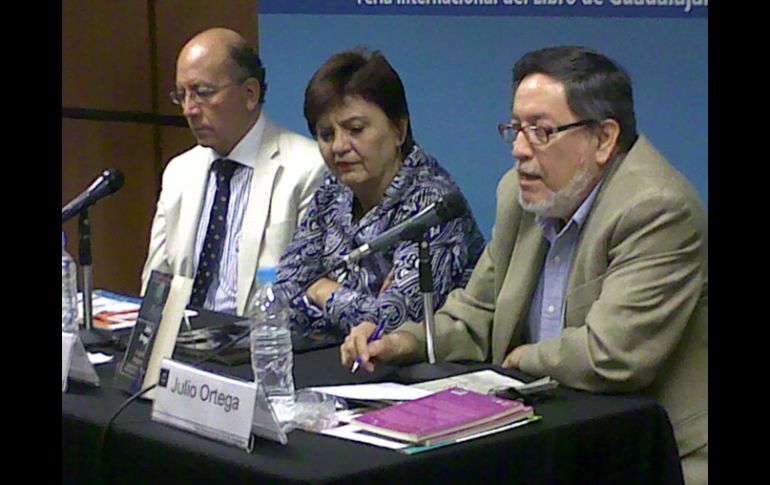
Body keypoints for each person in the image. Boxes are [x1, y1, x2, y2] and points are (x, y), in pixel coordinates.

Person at [341, 46, 707, 484]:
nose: (518, 149)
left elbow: (612, 355)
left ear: (603, 139)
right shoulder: (521, 196)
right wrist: (403, 341)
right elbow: (477, 314)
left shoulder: (657, 209)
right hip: (559, 437)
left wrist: (520, 360)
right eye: (515, 129)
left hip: (657, 454)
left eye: (541, 131)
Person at [270, 48, 485, 343]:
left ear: (399, 130)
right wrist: (353, 302)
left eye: (356, 129)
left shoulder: (433, 205)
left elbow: (393, 324)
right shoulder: (332, 190)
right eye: (326, 134)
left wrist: (321, 289)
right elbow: (283, 292)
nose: (339, 146)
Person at [140, 28, 325, 316]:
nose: (189, 109)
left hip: (259, 337)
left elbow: (308, 290)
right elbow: (156, 283)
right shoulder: (179, 172)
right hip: (181, 337)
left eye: (203, 93)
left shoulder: (308, 167)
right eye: (181, 95)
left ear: (250, 93)